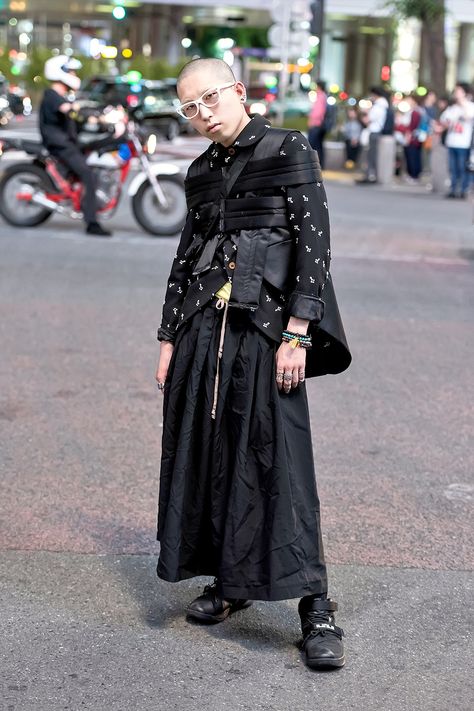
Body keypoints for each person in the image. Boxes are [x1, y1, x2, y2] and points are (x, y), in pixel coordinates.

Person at [154, 58, 351, 671]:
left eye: (210, 98)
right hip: (202, 333)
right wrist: (167, 339)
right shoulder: (199, 172)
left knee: (281, 460)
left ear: (238, 91)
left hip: (268, 336)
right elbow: (186, 259)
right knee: (213, 454)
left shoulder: (287, 148)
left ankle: (316, 606)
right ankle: (232, 582)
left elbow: (313, 247)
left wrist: (298, 332)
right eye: (190, 106)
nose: (202, 113)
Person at [39, 55, 111, 236]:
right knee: (88, 175)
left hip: (69, 142)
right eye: (71, 71)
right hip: (60, 145)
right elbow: (71, 111)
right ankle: (91, 223)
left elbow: (76, 114)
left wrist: (100, 116)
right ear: (60, 73)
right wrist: (93, 116)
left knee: (97, 147)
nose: (74, 74)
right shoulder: (52, 96)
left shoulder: (62, 97)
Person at [439, 82, 474, 199]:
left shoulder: (470, 106)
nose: (456, 94)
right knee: (452, 168)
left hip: (464, 143)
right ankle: (453, 189)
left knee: (462, 167)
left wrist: (463, 104)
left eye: (458, 91)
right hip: (452, 141)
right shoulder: (452, 108)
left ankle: (463, 190)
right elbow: (444, 120)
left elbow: (468, 116)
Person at [356, 86, 390, 184]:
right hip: (375, 132)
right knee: (371, 155)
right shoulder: (382, 105)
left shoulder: (379, 106)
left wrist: (366, 112)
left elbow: (369, 119)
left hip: (374, 132)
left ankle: (370, 175)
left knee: (371, 155)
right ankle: (370, 175)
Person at [396, 94, 423, 182]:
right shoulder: (407, 113)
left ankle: (414, 175)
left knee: (413, 157)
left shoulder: (415, 113)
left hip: (413, 139)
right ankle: (411, 173)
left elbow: (412, 127)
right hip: (407, 138)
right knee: (409, 156)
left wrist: (405, 130)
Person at [307, 80, 328, 168]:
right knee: (319, 145)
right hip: (320, 125)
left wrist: (312, 121)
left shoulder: (320, 96)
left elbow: (318, 112)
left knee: (311, 144)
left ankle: (312, 164)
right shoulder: (324, 96)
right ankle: (320, 164)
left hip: (316, 124)